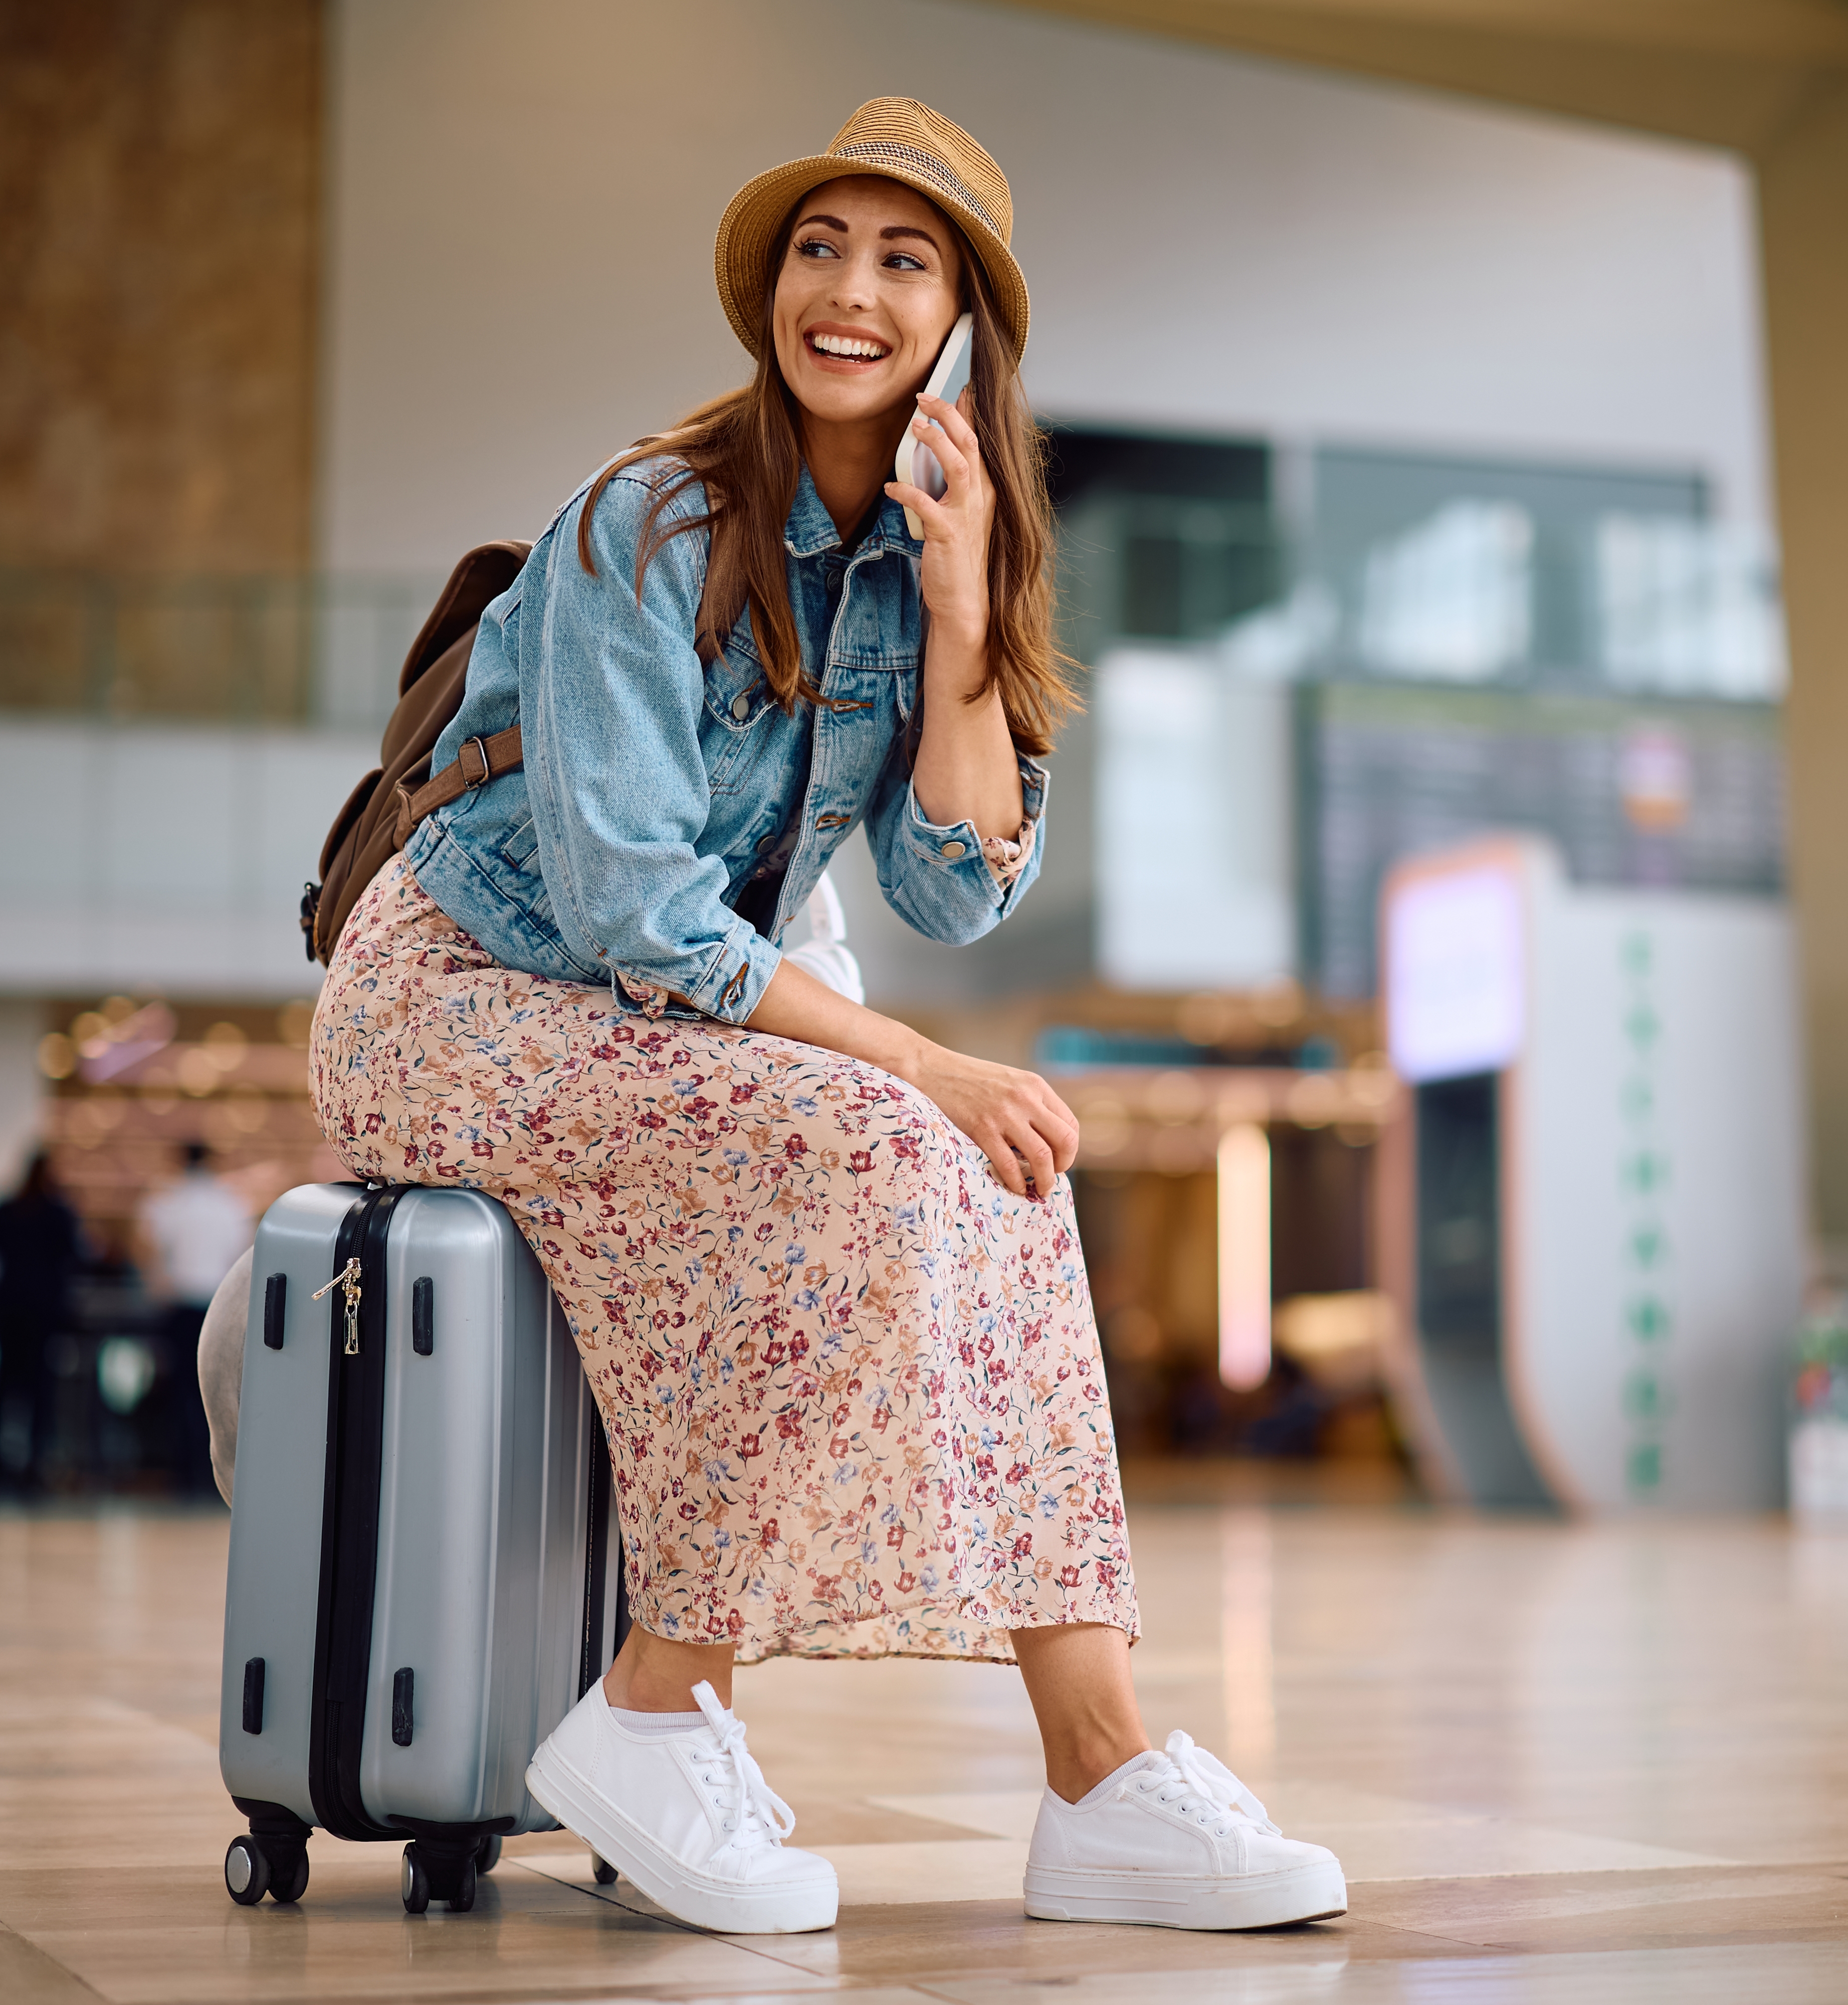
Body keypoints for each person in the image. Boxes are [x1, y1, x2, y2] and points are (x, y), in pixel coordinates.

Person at [305, 99, 1344, 1936]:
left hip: (650, 1025)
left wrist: (955, 625)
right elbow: (639, 919)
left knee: (1003, 1174)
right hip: (457, 997)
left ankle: (1098, 1766)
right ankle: (659, 1700)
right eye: (818, 247)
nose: (846, 291)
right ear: (770, 286)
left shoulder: (949, 542)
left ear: (962, 320)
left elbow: (952, 887)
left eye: (900, 257)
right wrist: (925, 1060)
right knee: (889, 1124)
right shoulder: (649, 519)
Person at [139, 1140, 247, 1498]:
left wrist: (160, 1283)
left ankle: (182, 1469)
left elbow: (149, 1251)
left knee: (182, 1390)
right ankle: (210, 1474)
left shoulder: (169, 1202)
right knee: (219, 1392)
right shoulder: (229, 1203)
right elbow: (242, 1256)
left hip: (180, 1304)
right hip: (219, 1306)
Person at [0, 1150, 87, 1494]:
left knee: (5, 1388)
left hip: (9, 1308)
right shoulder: (58, 1212)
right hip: (44, 1311)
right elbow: (76, 1256)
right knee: (41, 1391)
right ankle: (34, 1464)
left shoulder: (6, 1208)